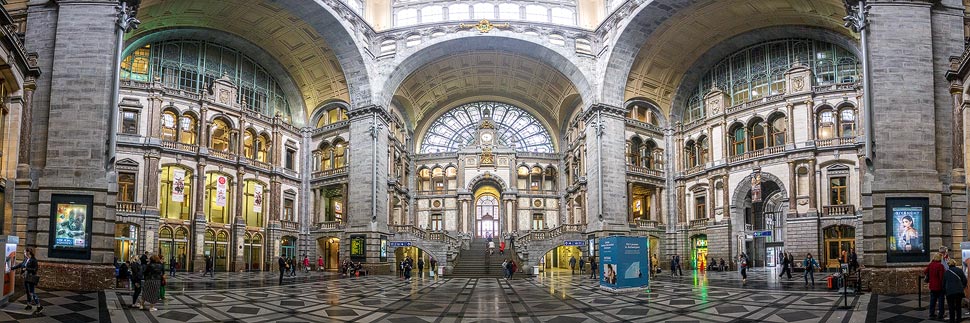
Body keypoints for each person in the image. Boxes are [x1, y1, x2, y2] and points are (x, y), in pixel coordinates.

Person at [12, 248, 41, 313]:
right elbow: (21, 265)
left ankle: (39, 306)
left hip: (31, 278)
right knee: (28, 292)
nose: (24, 253)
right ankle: (29, 305)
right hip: (26, 278)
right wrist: (12, 268)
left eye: (25, 252)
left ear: (28, 252)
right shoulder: (26, 259)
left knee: (32, 292)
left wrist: (27, 269)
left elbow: (35, 270)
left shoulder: (34, 260)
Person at [944, 258, 967, 323]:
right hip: (959, 291)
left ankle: (952, 320)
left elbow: (943, 283)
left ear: (948, 264)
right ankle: (958, 319)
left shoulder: (946, 272)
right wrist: (962, 287)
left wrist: (945, 291)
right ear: (955, 264)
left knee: (951, 307)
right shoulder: (960, 270)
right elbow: (964, 280)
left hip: (950, 292)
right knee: (958, 306)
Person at [926, 252, 947, 319]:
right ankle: (941, 314)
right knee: (941, 301)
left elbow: (925, 271)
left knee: (932, 300)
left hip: (932, 286)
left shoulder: (930, 264)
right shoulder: (940, 266)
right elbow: (942, 277)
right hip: (939, 286)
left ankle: (931, 313)